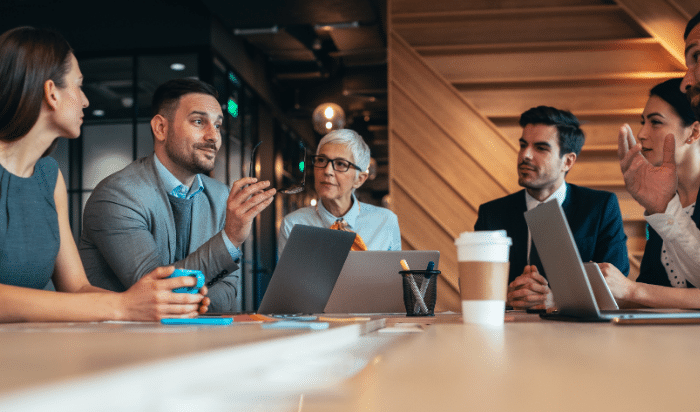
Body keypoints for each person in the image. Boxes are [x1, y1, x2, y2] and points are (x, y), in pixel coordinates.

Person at [0, 26, 209, 322]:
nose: (85, 100)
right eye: (78, 85)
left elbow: (76, 288)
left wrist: (153, 304)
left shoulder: (49, 178)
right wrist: (121, 307)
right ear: (51, 93)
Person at [79, 78, 276, 312]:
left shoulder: (221, 195)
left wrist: (190, 302)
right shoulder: (117, 195)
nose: (213, 136)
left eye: (218, 125)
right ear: (161, 128)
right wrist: (230, 239)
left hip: (195, 342)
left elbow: (229, 288)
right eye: (199, 121)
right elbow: (159, 292)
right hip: (125, 343)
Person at [474, 106, 629, 310]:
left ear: (567, 161)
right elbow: (474, 285)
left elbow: (617, 289)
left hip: (580, 335)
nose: (525, 155)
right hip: (510, 333)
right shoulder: (491, 214)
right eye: (523, 145)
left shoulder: (600, 207)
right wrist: (507, 297)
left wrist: (556, 300)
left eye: (540, 148)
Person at [601, 12, 700, 308]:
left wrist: (632, 291)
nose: (642, 134)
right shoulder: (666, 196)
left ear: (694, 131)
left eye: (655, 122)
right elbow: (655, 290)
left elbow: (643, 292)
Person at [278, 129, 401, 254]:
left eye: (341, 164)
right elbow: (288, 274)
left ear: (359, 179)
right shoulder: (293, 224)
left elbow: (396, 273)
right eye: (321, 160)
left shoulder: (386, 222)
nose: (327, 171)